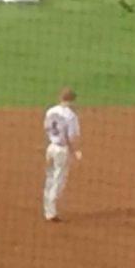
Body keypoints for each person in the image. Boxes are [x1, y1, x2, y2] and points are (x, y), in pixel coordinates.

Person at [42, 87, 81, 222]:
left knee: (50, 177)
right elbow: (71, 137)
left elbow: (46, 127)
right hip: (61, 150)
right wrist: (76, 151)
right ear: (72, 100)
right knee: (59, 180)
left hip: (51, 147)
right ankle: (51, 212)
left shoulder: (50, 111)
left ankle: (48, 209)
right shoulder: (71, 116)